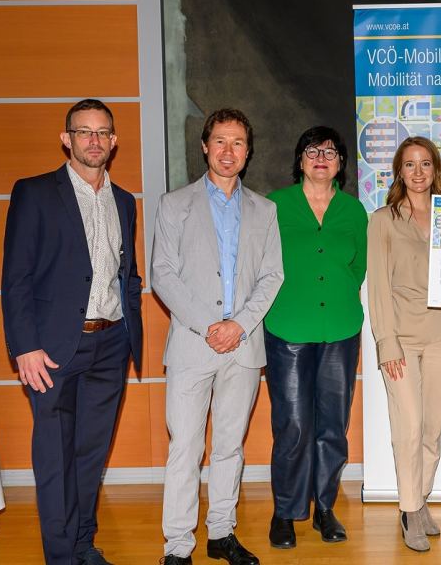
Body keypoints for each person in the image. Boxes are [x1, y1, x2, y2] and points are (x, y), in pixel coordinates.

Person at [2, 98, 143, 565]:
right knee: (55, 459)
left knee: (89, 456)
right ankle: (61, 556)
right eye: (84, 131)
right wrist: (24, 347)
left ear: (114, 141)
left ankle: (83, 544)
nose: (94, 140)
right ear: (67, 139)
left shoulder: (124, 201)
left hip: (110, 345)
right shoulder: (35, 192)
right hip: (54, 350)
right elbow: (16, 277)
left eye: (102, 132)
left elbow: (129, 274)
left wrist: (128, 330)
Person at [152, 108, 284, 565]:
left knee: (229, 446)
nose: (229, 152)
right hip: (192, 345)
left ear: (248, 153)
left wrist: (238, 326)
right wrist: (208, 327)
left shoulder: (265, 211)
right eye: (220, 142)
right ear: (205, 146)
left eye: (238, 144)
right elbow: (162, 275)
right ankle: (177, 546)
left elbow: (272, 277)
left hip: (243, 347)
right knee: (185, 447)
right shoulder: (174, 205)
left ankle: (222, 533)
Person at [367, 136, 441, 552]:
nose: (417, 172)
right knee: (408, 428)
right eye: (409, 165)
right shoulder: (382, 220)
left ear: (436, 171)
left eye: (425, 164)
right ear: (399, 171)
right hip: (401, 339)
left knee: (431, 430)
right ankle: (409, 510)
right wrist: (386, 343)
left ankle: (421, 499)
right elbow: (377, 287)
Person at [263, 127, 367, 549]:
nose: (320, 157)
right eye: (312, 150)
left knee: (332, 427)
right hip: (288, 327)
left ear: (341, 162)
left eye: (329, 151)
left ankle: (324, 508)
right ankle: (286, 512)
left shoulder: (354, 211)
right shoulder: (274, 205)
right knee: (293, 425)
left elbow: (356, 267)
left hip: (340, 329)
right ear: (300, 160)